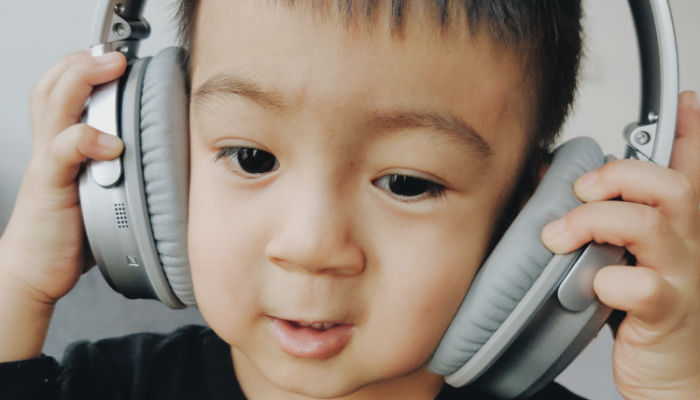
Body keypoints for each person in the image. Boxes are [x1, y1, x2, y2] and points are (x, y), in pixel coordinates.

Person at [1, 1, 699, 399]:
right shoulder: (110, 388)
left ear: (532, 213)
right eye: (252, 158)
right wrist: (18, 284)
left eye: (407, 182)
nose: (310, 245)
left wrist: (677, 382)